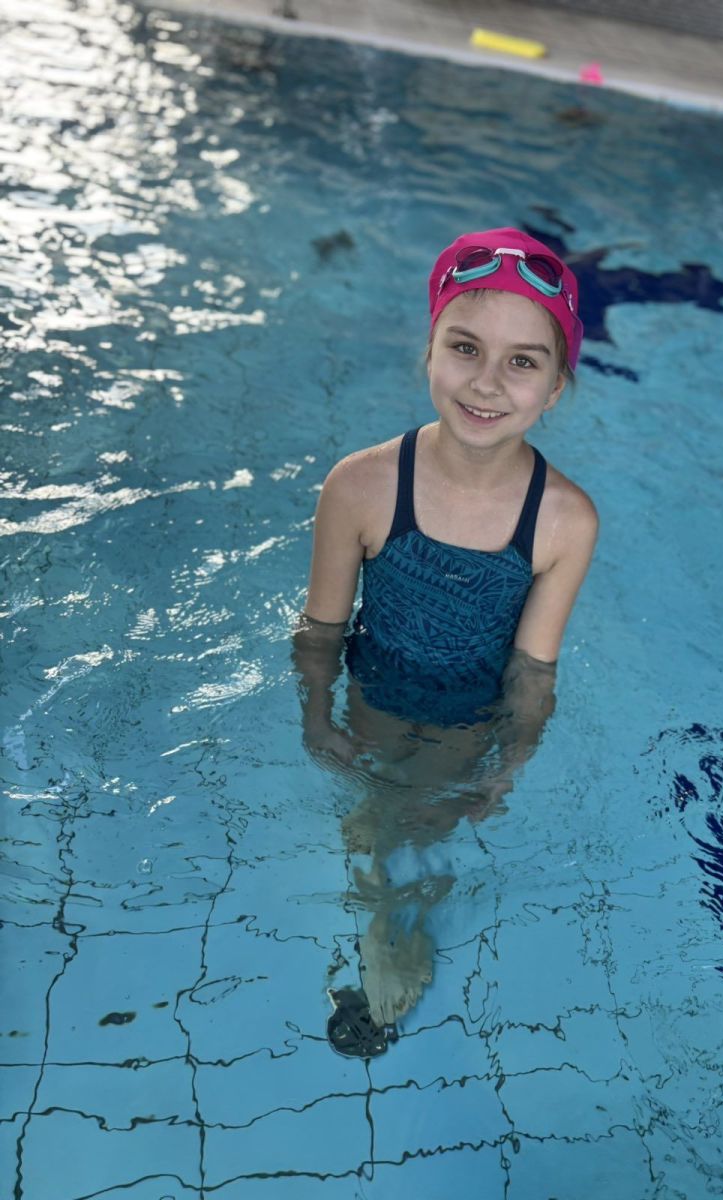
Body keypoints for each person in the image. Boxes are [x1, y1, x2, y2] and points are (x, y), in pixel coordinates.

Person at [292, 227, 598, 1039]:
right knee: (375, 813)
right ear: (428, 350)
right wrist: (316, 718)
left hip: (471, 711)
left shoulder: (564, 520)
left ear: (556, 387)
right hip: (378, 687)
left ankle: (393, 931)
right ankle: (385, 929)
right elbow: (321, 630)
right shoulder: (359, 486)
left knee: (423, 820)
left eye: (523, 361)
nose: (487, 382)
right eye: (465, 348)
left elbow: (533, 671)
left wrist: (509, 764)